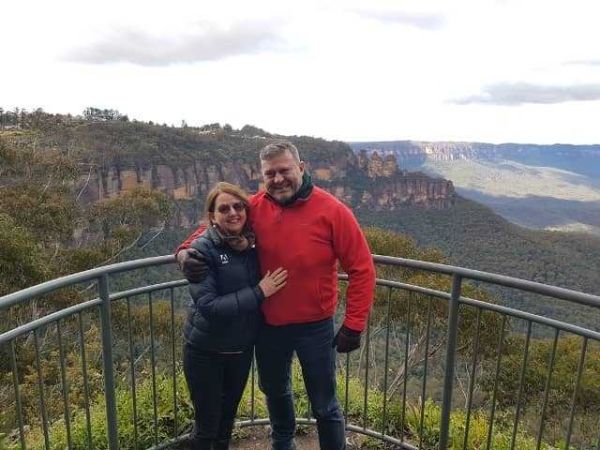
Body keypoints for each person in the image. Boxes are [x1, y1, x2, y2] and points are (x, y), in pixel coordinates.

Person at [177, 142, 376, 450]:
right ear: (262, 176)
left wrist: (354, 324)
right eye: (270, 173)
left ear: (301, 168)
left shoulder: (334, 211)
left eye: (284, 170)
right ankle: (283, 444)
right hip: (269, 325)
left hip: (315, 326)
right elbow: (212, 231)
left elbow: (362, 268)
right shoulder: (256, 207)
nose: (278, 179)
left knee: (324, 402)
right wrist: (183, 253)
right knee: (275, 390)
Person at [182, 182, 288, 450]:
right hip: (206, 351)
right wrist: (260, 292)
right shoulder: (202, 250)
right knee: (207, 427)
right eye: (224, 208)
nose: (233, 213)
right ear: (212, 216)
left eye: (238, 206)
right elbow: (209, 306)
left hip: (240, 352)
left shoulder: (252, 243)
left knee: (226, 423)